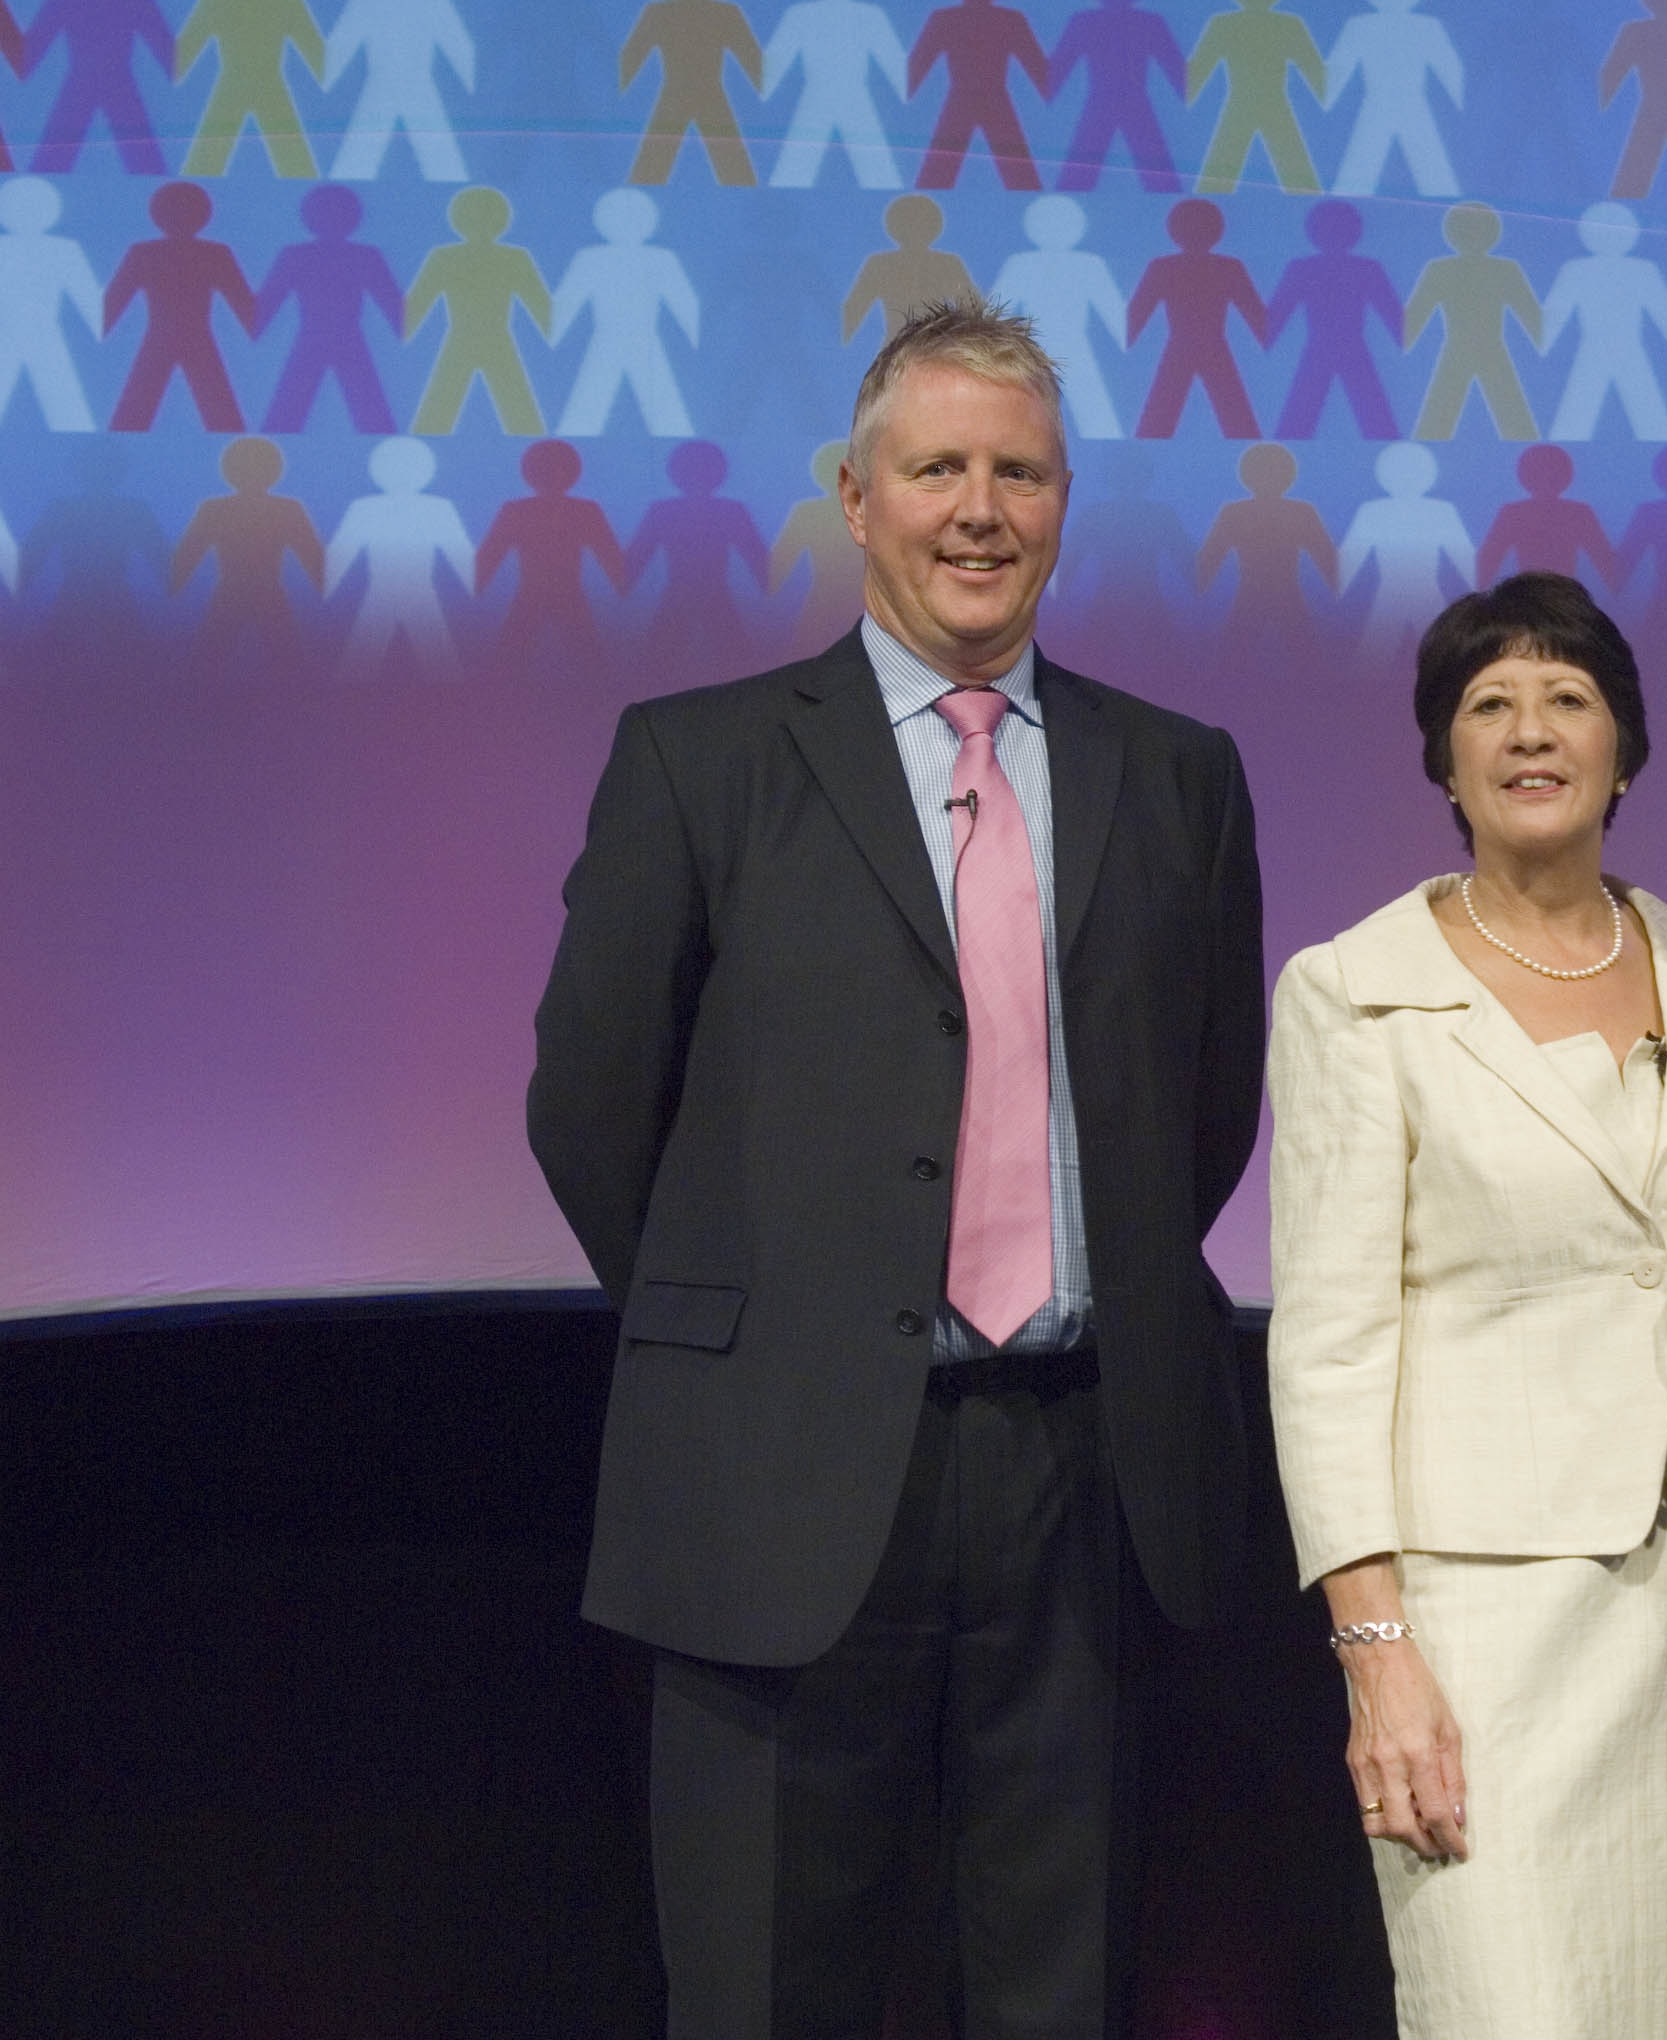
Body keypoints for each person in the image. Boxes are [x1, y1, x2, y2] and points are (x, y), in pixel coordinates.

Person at [527, 297, 1264, 2037]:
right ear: (852, 499)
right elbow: (592, 1103)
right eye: (936, 469)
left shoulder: (1180, 776)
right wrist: (776, 1329)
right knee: (774, 1987)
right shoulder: (698, 759)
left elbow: (1204, 1105)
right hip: (780, 1481)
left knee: (1060, 1988)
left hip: (1085, 1474)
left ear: (1067, 501)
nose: (979, 510)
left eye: (1019, 471)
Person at [1268, 571, 1667, 2039]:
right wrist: (1376, 1657)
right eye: (1489, 705)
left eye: (1569, 699)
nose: (1532, 732)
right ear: (1444, 760)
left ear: (1624, 751)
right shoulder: (1357, 994)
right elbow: (1326, 1346)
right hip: (1474, 1626)